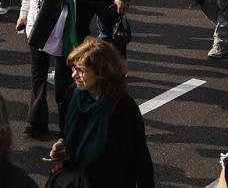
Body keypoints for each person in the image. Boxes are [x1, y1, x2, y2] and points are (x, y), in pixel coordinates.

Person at [48, 38, 154, 186]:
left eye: (81, 71)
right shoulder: (72, 94)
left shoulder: (124, 108)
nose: (74, 75)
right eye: (74, 69)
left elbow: (140, 158)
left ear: (101, 73)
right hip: (77, 179)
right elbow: (64, 130)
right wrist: (61, 142)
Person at [16, 0, 88, 136]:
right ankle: (36, 122)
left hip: (60, 27)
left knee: (63, 77)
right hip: (37, 25)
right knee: (37, 75)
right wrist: (23, 15)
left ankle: (67, 123)